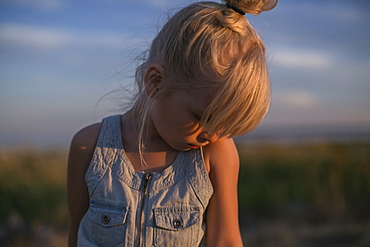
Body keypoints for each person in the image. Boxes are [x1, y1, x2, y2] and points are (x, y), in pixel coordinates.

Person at [67, 0, 278, 246]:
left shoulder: (215, 154)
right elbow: (76, 235)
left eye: (223, 124)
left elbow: (226, 241)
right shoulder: (89, 147)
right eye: (203, 118)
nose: (212, 135)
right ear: (155, 81)